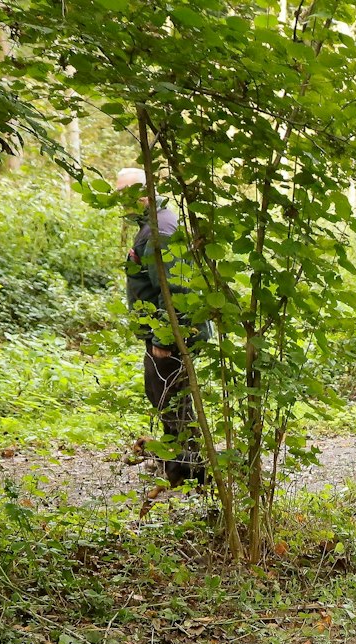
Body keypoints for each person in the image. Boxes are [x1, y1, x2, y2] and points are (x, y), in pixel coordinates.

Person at [118, 167, 206, 487]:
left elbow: (176, 290)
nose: (120, 201)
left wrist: (166, 337)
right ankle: (178, 466)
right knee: (162, 396)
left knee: (173, 400)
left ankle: (189, 471)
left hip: (169, 337)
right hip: (160, 335)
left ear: (142, 192)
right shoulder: (151, 227)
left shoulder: (162, 229)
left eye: (123, 194)